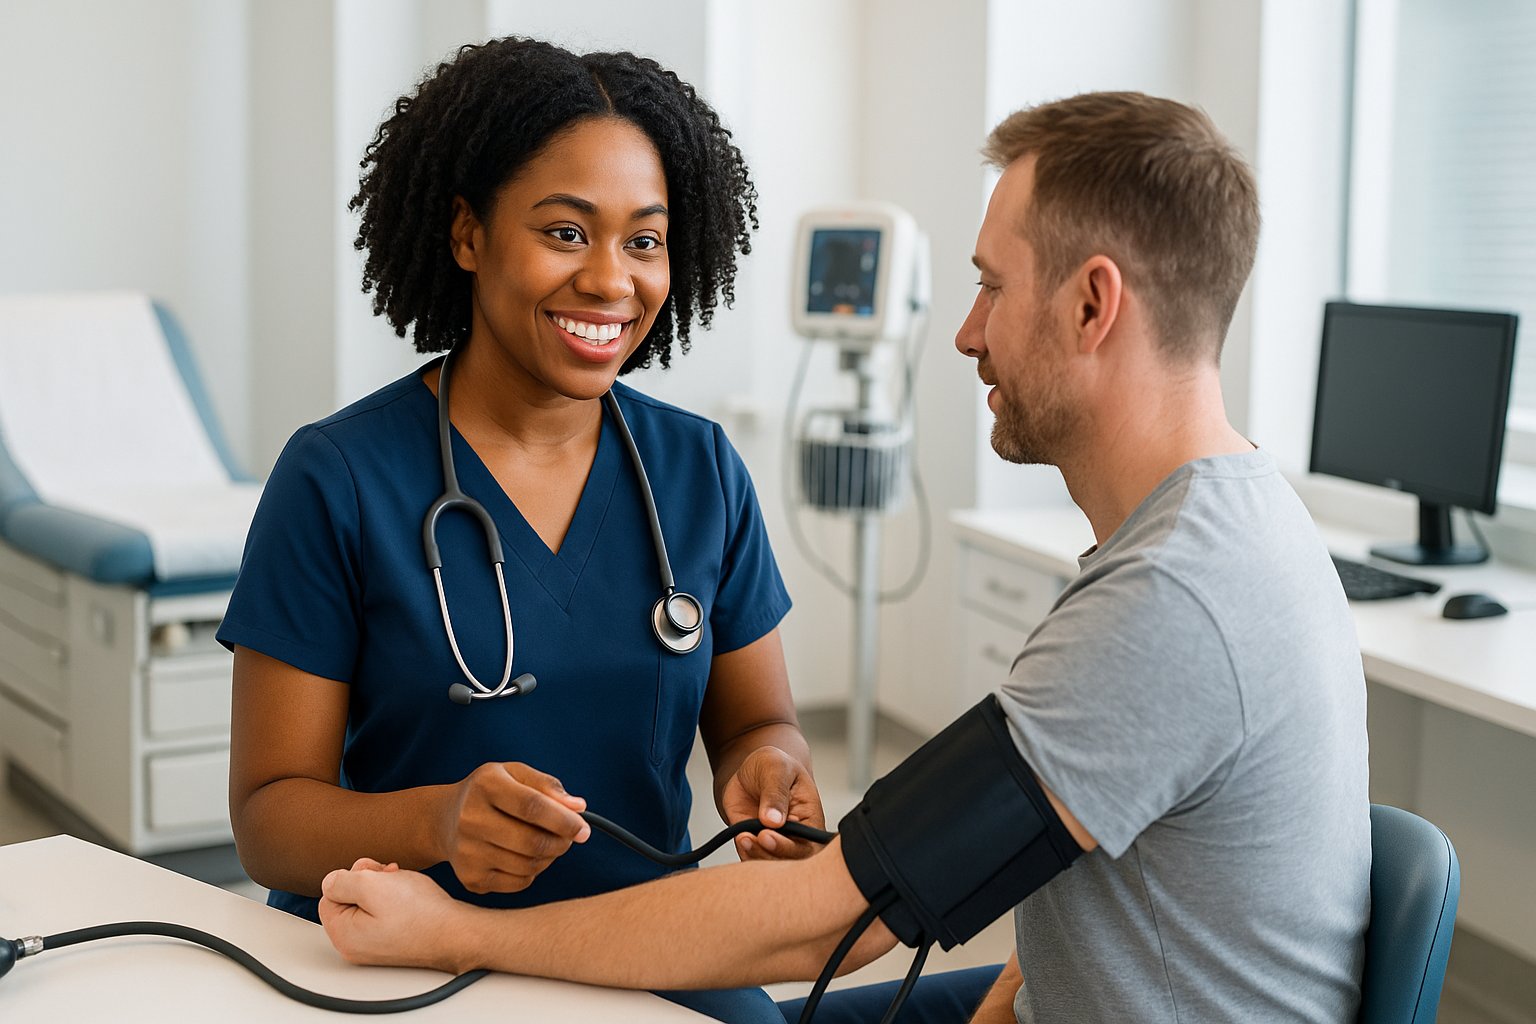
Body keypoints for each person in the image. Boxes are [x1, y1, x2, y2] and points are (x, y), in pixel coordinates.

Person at [316, 91, 1372, 1023]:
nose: (964, 333)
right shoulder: (1217, 528)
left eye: (991, 288)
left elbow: (839, 917)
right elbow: (1069, 880)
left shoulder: (1172, 598)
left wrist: (458, 932)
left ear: (1093, 303)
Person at [217, 37, 824, 1024]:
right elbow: (267, 818)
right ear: (467, 234)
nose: (610, 282)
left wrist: (771, 773)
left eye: (644, 240)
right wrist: (440, 821)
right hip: (403, 958)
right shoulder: (339, 476)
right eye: (566, 232)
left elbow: (757, 723)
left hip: (642, 950)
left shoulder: (699, 471)